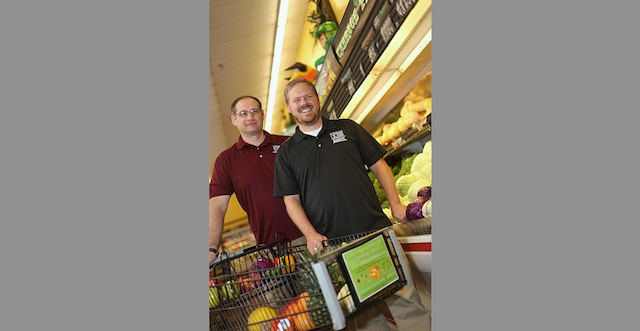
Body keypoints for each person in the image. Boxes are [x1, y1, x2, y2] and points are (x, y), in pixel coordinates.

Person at [273, 78, 431, 330]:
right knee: (365, 315)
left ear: (317, 99)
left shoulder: (348, 128)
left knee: (404, 299)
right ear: (290, 108)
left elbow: (379, 165)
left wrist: (396, 204)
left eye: (308, 96)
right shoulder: (286, 153)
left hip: (376, 230)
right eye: (296, 100)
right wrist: (310, 234)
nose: (303, 103)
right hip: (336, 245)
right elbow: (290, 201)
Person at [209, 95, 303, 264]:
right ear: (234, 119)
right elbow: (216, 206)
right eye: (243, 113)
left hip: (309, 236)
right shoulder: (226, 161)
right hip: (269, 250)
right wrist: (210, 248)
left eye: (254, 111)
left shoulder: (288, 144)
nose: (250, 117)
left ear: (263, 114)